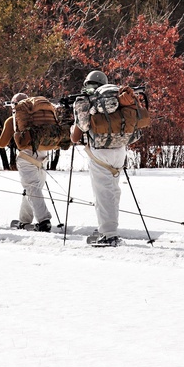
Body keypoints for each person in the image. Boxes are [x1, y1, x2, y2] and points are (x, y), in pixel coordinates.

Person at [70, 71, 129, 247]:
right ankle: (106, 227)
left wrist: (73, 127)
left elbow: (77, 134)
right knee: (113, 191)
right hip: (120, 151)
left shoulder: (84, 101)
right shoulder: (115, 98)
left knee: (103, 194)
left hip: (100, 153)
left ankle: (109, 234)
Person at [0, 92, 53, 232]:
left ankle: (44, 221)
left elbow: (2, 143)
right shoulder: (40, 119)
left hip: (26, 158)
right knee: (32, 189)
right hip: (43, 157)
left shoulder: (13, 120)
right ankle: (24, 220)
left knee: (32, 189)